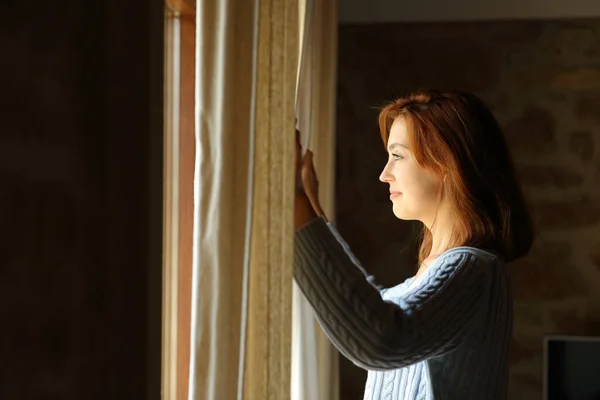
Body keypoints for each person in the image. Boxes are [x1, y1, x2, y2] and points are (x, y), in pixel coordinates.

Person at [293, 89, 534, 400]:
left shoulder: (474, 269)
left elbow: (380, 338)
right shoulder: (446, 274)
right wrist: (313, 212)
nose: (384, 175)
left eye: (397, 156)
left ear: (446, 162)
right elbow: (373, 310)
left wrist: (295, 204)